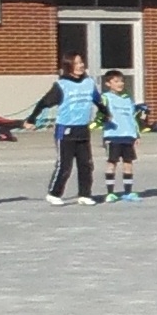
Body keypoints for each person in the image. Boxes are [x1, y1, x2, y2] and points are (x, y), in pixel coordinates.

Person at [29, 53, 104, 205]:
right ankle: (54, 193)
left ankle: (85, 194)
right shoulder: (61, 85)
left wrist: (106, 113)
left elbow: (98, 100)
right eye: (76, 63)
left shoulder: (89, 83)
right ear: (69, 66)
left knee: (86, 164)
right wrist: (32, 118)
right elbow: (43, 103)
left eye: (81, 62)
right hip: (65, 129)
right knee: (65, 164)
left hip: (82, 128)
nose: (80, 65)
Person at [98, 70, 142, 201]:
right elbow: (100, 115)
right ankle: (110, 192)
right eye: (116, 81)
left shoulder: (127, 99)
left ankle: (127, 192)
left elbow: (132, 118)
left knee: (128, 163)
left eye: (121, 81)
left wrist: (136, 135)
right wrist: (104, 118)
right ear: (108, 83)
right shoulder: (105, 98)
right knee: (112, 163)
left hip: (128, 135)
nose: (120, 84)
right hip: (113, 135)